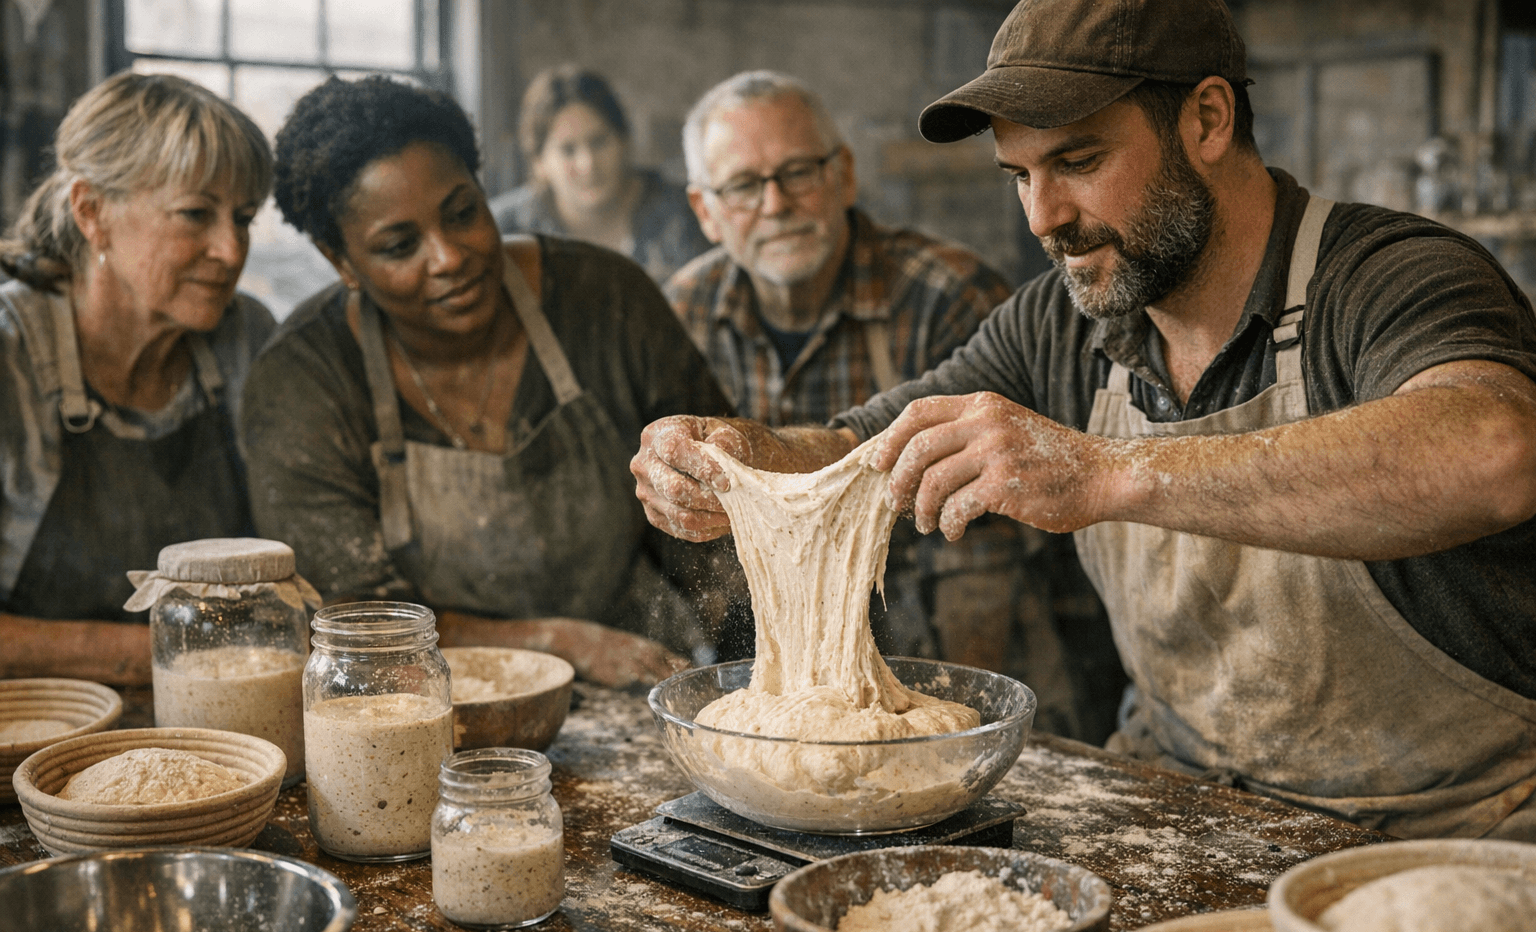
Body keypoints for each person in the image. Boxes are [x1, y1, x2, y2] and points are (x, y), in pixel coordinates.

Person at [632, 0, 1536, 840]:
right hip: (1178, 808)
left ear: (1208, 121)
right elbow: (861, 446)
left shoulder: (1390, 277)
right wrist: (747, 457)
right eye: (1019, 175)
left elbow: (1497, 451)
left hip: (1445, 831)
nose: (1043, 217)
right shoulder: (1060, 323)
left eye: (1077, 162)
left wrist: (1106, 472)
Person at [243, 75, 734, 687]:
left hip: (640, 679)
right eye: (399, 246)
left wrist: (751, 679)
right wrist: (557, 644)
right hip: (425, 700)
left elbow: (718, 528)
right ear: (341, 261)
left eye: (462, 213)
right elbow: (358, 624)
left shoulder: (608, 302)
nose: (448, 257)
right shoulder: (303, 382)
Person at [669, 71, 1108, 727]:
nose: (776, 203)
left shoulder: (947, 295)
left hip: (967, 664)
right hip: (797, 693)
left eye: (798, 172)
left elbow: (1015, 516)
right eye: (741, 187)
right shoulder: (686, 314)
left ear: (844, 175)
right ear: (705, 211)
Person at [0, 72, 275, 686]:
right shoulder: (10, 356)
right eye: (195, 215)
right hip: (32, 728)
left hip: (220, 712)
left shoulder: (244, 338)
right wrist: (171, 654)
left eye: (245, 218)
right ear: (92, 212)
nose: (231, 251)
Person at [489, 65, 709, 285]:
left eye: (599, 142)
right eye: (568, 150)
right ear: (539, 163)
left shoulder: (687, 214)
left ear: (624, 140)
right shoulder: (504, 231)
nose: (588, 164)